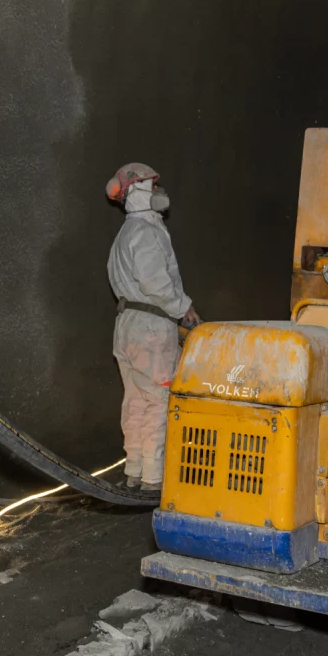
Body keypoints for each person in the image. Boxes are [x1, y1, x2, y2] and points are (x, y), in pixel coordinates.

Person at [105, 163, 199, 496]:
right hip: (150, 326)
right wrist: (184, 309)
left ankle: (134, 473)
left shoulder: (126, 233)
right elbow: (155, 282)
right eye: (152, 186)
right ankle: (154, 479)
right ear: (138, 191)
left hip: (127, 324)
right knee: (158, 400)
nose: (159, 192)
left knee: (135, 402)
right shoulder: (146, 232)